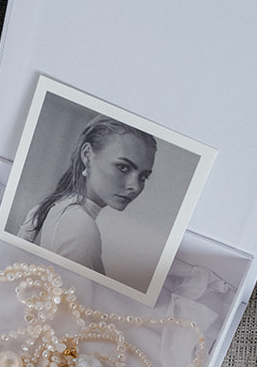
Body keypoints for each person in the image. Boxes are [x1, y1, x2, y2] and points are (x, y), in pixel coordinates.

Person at [19, 115, 157, 274]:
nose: (135, 186)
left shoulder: (46, 208)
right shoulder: (79, 226)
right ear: (87, 155)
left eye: (143, 177)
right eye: (123, 167)